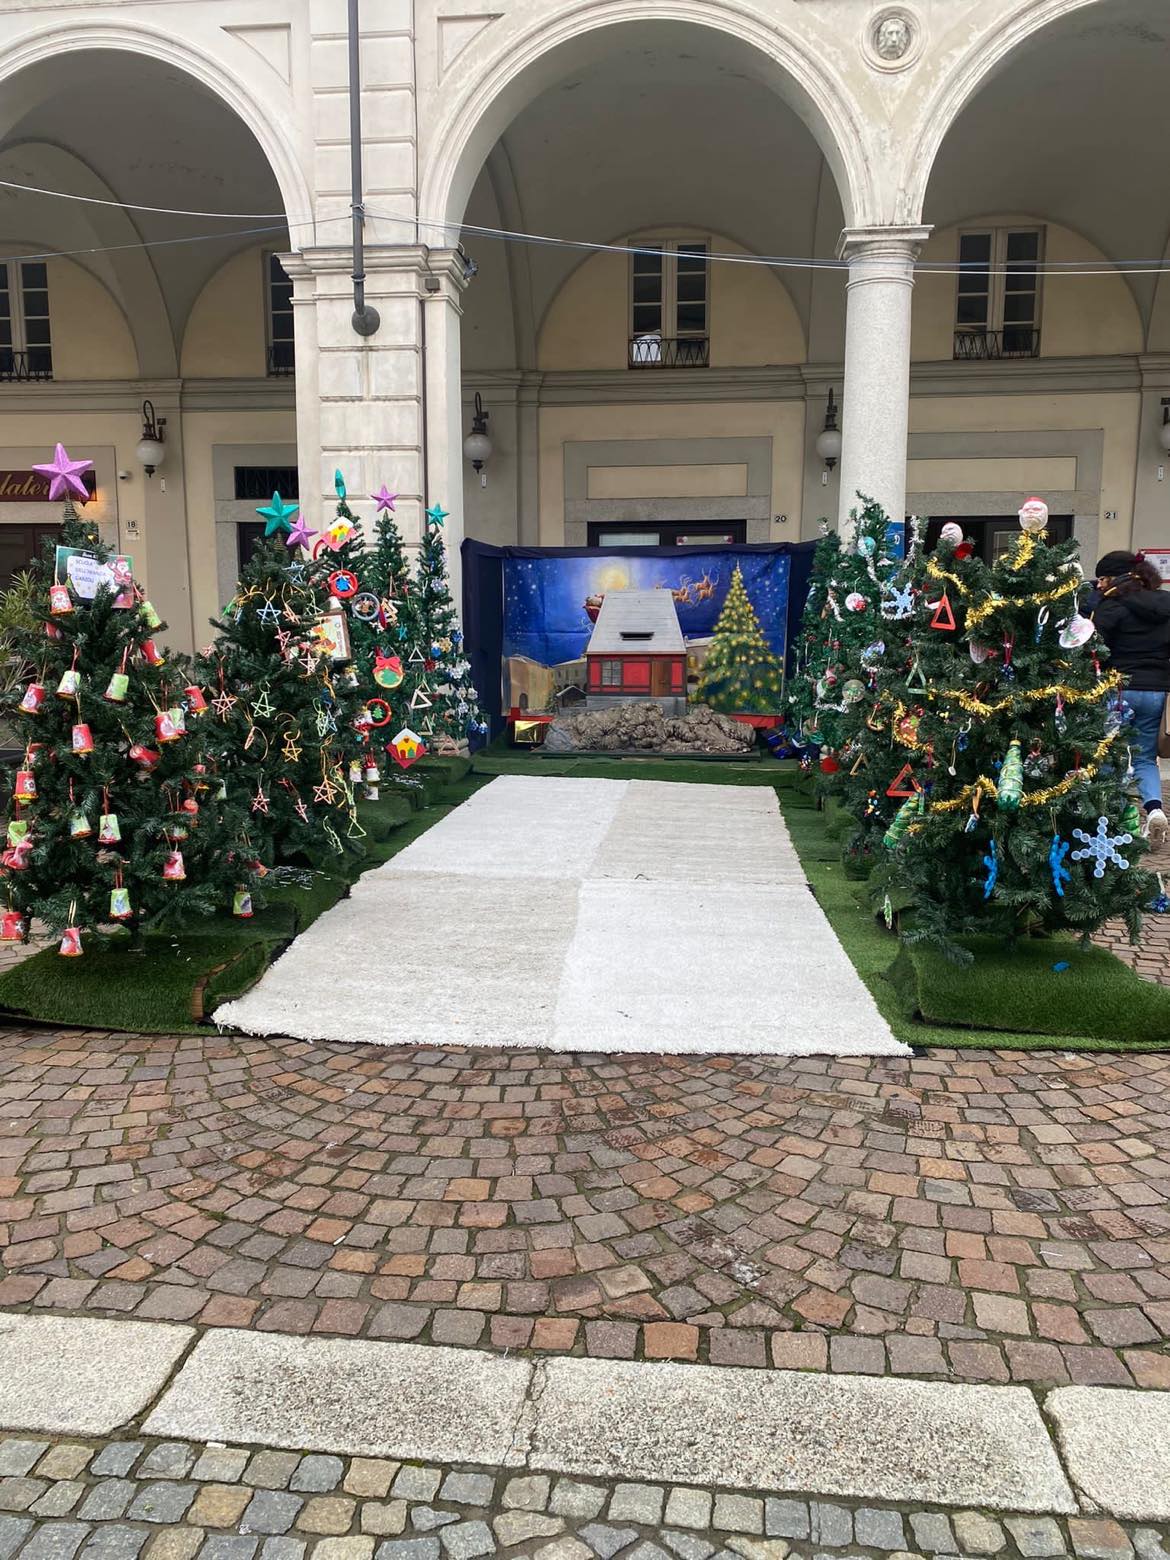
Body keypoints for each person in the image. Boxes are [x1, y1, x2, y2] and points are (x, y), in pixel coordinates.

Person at [1091, 550, 1170, 845]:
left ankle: (1113, 820)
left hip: (1119, 689)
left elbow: (1096, 648)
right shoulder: (1165, 605)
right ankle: (1153, 809)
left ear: (1115, 577)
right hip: (1157, 691)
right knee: (1146, 758)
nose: (1099, 584)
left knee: (1110, 755)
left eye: (1102, 578)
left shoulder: (1111, 606)